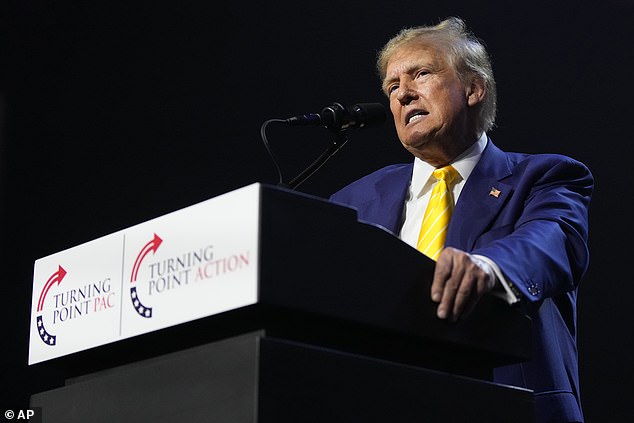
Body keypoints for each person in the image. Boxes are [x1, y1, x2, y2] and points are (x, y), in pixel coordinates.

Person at [329, 17, 592, 423]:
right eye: (392, 86)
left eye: (421, 74)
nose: (402, 95)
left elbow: (552, 241)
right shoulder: (353, 200)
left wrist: (487, 267)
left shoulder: (543, 177)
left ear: (473, 88)